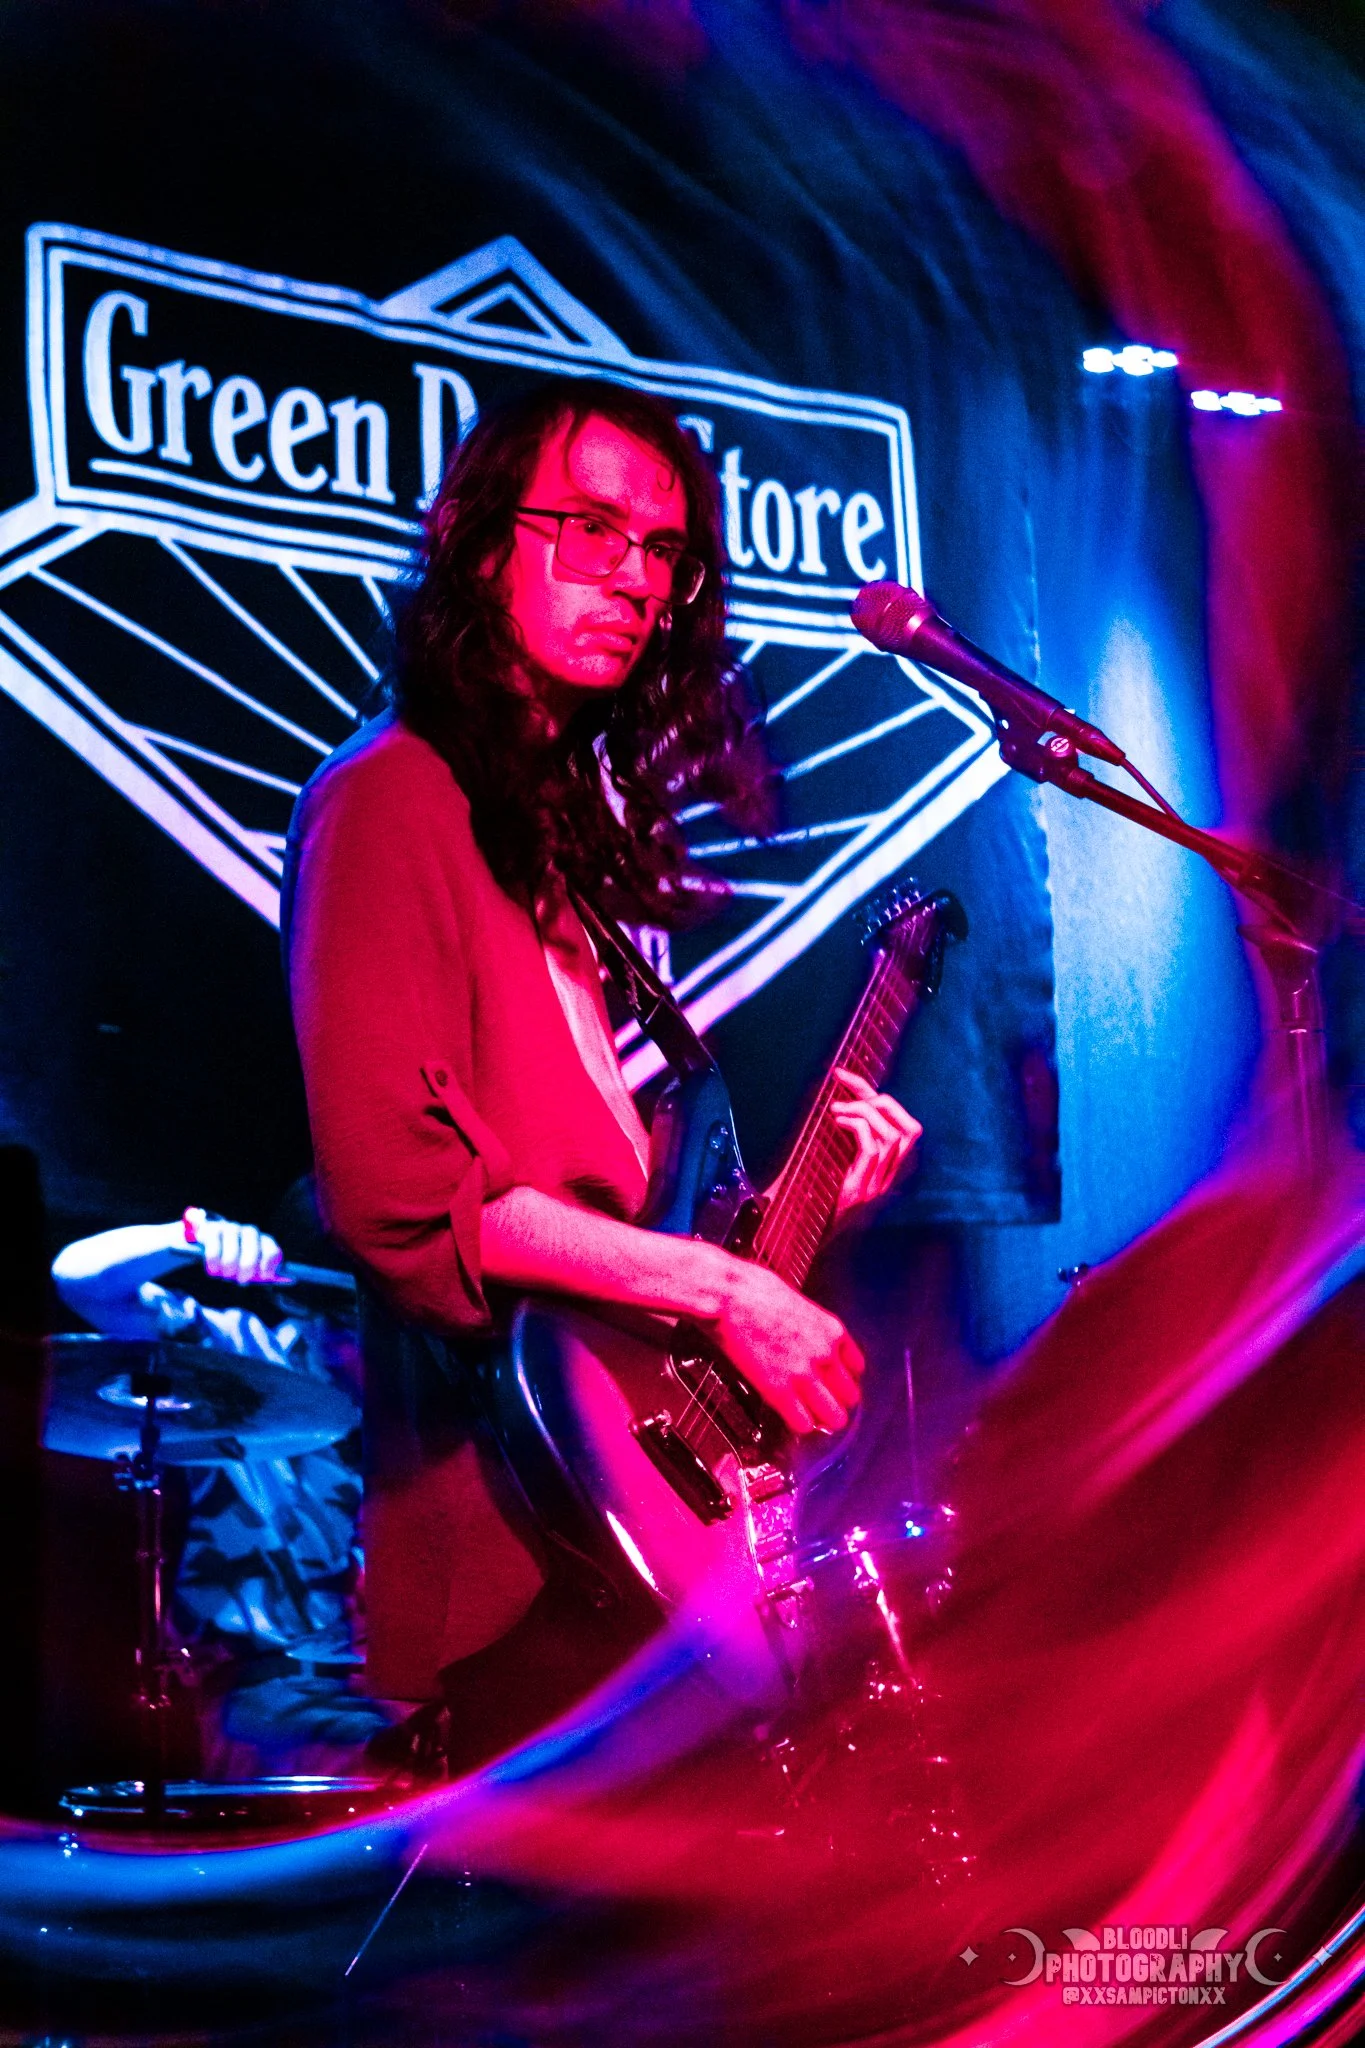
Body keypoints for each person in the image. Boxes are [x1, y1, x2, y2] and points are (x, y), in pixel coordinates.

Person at [283, 377, 921, 1774]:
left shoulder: (546, 848)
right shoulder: (392, 795)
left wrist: (799, 1227)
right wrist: (728, 1291)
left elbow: (609, 1254)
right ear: (479, 546)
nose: (634, 578)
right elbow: (402, 1200)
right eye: (590, 528)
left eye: (663, 551)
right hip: (512, 1562)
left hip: (630, 1548)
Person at [51, 1198, 394, 1771]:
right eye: (347, 1323)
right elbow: (81, 1280)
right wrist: (187, 1238)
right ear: (307, 1304)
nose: (360, 1344)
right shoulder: (247, 1356)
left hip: (392, 1687)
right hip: (271, 1690)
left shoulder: (423, 1391)